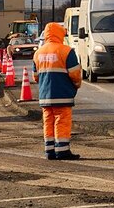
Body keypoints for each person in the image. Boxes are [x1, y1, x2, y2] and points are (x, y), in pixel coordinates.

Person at [34, 22, 82, 160]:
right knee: (62, 121)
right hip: (62, 94)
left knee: (48, 121)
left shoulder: (38, 53)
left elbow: (35, 76)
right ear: (60, 34)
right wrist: (76, 85)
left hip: (45, 96)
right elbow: (75, 74)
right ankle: (62, 150)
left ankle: (49, 150)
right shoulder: (66, 51)